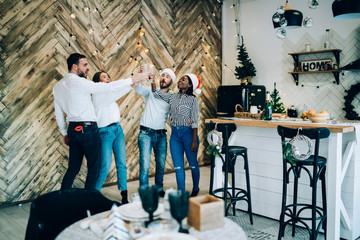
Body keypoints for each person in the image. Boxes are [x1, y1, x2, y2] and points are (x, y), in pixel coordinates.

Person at [53, 53, 148, 190]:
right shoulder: (81, 83)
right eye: (84, 65)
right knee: (94, 168)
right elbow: (107, 88)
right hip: (88, 130)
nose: (88, 68)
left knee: (73, 168)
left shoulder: (57, 87)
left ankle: (62, 202)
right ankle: (88, 204)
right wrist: (132, 79)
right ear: (74, 66)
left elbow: (58, 114)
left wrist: (64, 133)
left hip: (73, 130)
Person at [152, 73, 201, 197]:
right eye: (180, 79)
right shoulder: (172, 97)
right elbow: (156, 93)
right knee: (178, 166)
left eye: (184, 80)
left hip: (189, 134)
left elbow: (194, 120)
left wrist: (194, 140)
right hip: (175, 136)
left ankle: (196, 188)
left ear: (190, 85)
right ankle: (181, 192)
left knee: (193, 164)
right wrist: (153, 80)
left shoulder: (193, 100)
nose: (180, 80)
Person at [92, 71, 137, 204]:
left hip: (117, 130)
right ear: (98, 82)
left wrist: (134, 83)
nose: (108, 78)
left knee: (122, 163)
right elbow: (118, 92)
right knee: (105, 166)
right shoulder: (97, 95)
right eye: (104, 77)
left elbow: (116, 92)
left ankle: (124, 194)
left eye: (108, 76)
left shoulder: (109, 95)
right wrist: (131, 83)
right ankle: (94, 195)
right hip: (104, 133)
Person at [135, 67, 176, 196]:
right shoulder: (150, 91)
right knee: (145, 166)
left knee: (160, 165)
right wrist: (142, 75)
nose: (163, 78)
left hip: (161, 135)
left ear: (171, 82)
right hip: (146, 134)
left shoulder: (171, 98)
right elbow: (137, 88)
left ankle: (158, 189)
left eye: (167, 76)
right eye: (162, 75)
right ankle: (144, 193)